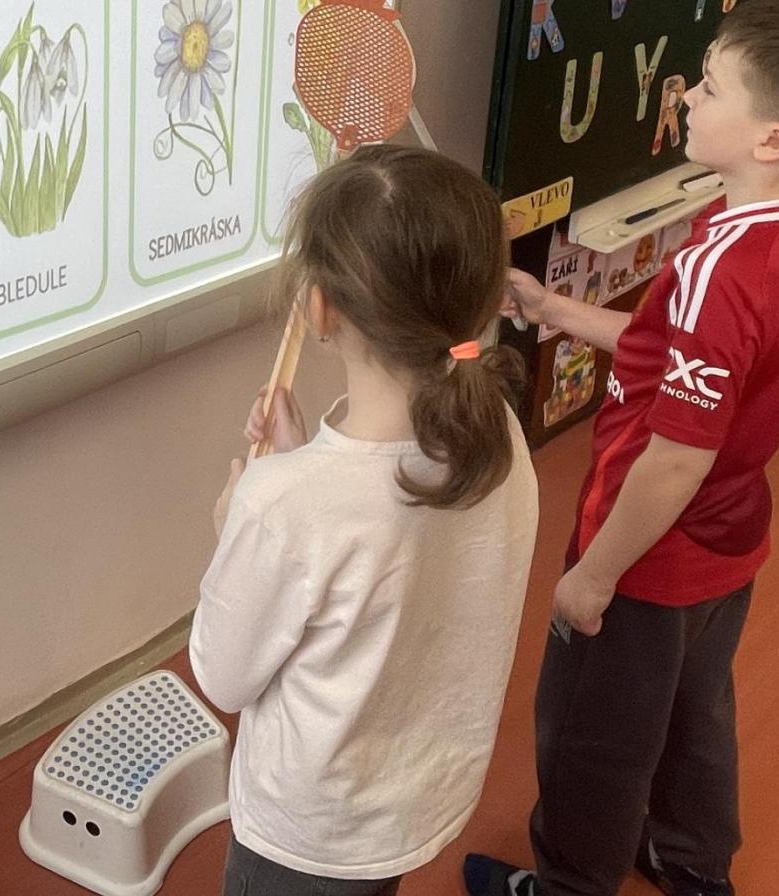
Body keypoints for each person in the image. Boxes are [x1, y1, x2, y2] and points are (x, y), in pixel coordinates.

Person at [466, 0, 779, 896]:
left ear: (773, 139)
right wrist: (555, 310)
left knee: (592, 734)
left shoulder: (719, 269)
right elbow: (671, 353)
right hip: (727, 539)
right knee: (692, 712)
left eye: (710, 86)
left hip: (646, 555)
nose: (688, 96)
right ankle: (691, 858)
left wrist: (596, 575)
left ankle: (567, 885)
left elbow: (676, 455)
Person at [192, 146, 540, 896]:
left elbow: (223, 676)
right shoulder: (498, 434)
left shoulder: (284, 506)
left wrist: (236, 530)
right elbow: (379, 548)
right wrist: (297, 464)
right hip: (410, 805)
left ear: (320, 311)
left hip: (309, 834)